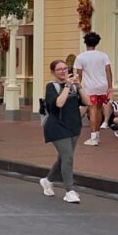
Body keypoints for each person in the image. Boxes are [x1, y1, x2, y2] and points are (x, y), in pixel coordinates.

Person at [40, 59, 88, 203]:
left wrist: (79, 87)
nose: (63, 71)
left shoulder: (74, 87)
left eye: (65, 69)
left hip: (73, 126)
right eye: (59, 69)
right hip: (56, 127)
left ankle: (48, 180)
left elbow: (87, 102)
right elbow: (59, 103)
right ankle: (70, 190)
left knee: (63, 158)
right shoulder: (51, 86)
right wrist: (67, 85)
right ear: (53, 72)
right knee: (68, 157)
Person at [74, 32, 113, 146]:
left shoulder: (81, 57)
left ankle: (93, 137)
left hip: (90, 87)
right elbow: (108, 71)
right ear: (97, 43)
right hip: (102, 86)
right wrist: (110, 86)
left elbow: (79, 74)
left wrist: (78, 87)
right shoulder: (103, 55)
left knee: (92, 110)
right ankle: (97, 134)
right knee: (99, 109)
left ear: (85, 43)